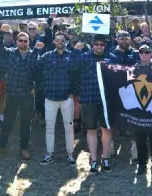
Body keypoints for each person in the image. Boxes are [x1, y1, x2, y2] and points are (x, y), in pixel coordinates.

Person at [0, 32, 42, 161]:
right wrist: (0, 32)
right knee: (8, 122)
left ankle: (24, 148)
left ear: (28, 42)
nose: (23, 43)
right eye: (20, 40)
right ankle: (1, 146)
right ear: (16, 41)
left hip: (27, 94)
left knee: (26, 122)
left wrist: (35, 87)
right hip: (13, 93)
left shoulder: (34, 54)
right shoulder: (9, 52)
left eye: (25, 41)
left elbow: (38, 73)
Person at [37, 31, 78, 166]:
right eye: (57, 40)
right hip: (50, 97)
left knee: (69, 127)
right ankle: (49, 154)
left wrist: (73, 92)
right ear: (54, 42)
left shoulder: (71, 56)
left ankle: (70, 154)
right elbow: (35, 67)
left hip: (67, 98)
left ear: (65, 42)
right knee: (49, 127)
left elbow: (77, 74)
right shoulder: (47, 56)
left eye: (62, 40)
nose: (60, 42)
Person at [77, 34, 113, 173]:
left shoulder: (111, 58)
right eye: (96, 44)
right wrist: (77, 49)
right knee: (91, 129)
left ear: (105, 45)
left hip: (106, 101)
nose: (99, 47)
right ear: (92, 44)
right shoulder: (83, 57)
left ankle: (106, 158)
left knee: (106, 130)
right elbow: (73, 71)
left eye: (101, 44)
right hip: (89, 98)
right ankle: (93, 160)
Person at [133, 44, 152, 177]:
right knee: (140, 139)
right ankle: (141, 164)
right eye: (142, 52)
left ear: (151, 53)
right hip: (138, 108)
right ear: (139, 54)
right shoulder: (133, 68)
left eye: (147, 52)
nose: (144, 54)